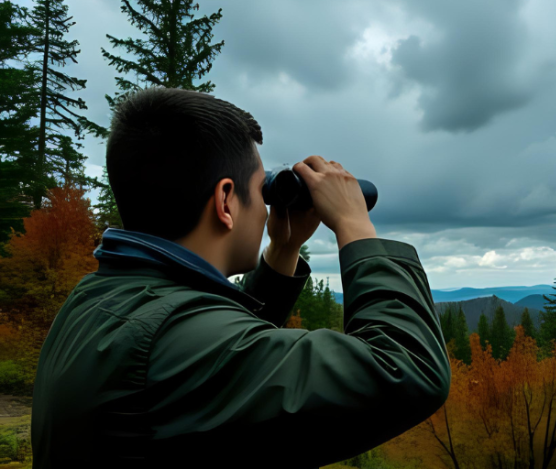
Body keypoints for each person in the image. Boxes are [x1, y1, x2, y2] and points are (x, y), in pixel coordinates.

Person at [30, 87, 451, 468]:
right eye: (261, 189)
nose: (266, 207)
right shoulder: (170, 345)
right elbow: (408, 370)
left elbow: (226, 350)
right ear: (226, 200)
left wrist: (283, 249)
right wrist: (354, 224)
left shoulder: (97, 299)